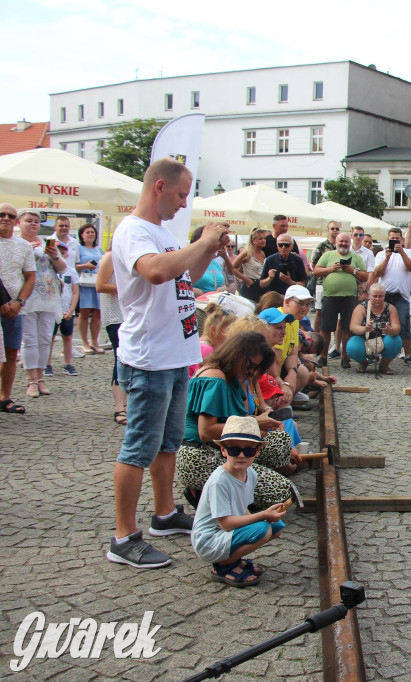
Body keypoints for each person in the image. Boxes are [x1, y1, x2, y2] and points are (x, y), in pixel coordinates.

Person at [107, 157, 230, 569]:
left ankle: (163, 514)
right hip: (149, 357)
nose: (183, 204)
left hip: (175, 353)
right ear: (159, 187)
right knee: (138, 447)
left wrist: (208, 249)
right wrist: (201, 240)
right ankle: (123, 537)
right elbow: (156, 272)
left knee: (167, 443)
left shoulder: (160, 231)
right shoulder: (133, 230)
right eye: (180, 194)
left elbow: (185, 277)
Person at [176, 330, 297, 510]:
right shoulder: (215, 378)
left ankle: (246, 477)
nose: (252, 372)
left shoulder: (234, 376)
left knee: (281, 441)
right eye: (251, 365)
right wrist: (253, 424)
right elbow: (206, 431)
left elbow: (236, 419)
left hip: (225, 448)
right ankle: (208, 491)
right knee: (282, 492)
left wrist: (257, 425)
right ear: (237, 354)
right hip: (201, 455)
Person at [191, 415, 289, 588]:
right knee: (263, 529)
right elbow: (226, 524)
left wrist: (265, 518)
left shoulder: (250, 473)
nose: (241, 456)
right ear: (223, 451)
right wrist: (263, 516)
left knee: (277, 526)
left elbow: (243, 508)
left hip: (223, 534)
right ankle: (223, 565)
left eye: (248, 451)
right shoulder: (219, 480)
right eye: (234, 450)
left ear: (257, 452)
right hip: (209, 540)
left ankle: (233, 559)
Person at [18, 208, 67, 399]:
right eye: (29, 220)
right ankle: (31, 380)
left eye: (36, 221)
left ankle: (40, 377)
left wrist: (54, 255)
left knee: (46, 338)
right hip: (27, 297)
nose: (33, 224)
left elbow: (63, 268)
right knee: (30, 339)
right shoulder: (17, 244)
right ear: (19, 223)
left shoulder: (48, 242)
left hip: (48, 296)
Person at [0, 202, 35, 414]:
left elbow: (30, 277)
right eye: (1, 214)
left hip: (15, 307)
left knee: (12, 352)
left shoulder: (24, 246)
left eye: (10, 216)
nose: (5, 218)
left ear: (16, 221)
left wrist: (19, 302)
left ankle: (5, 397)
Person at [314, 231, 367, 369]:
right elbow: (316, 271)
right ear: (335, 243)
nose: (343, 244)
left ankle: (345, 357)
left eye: (346, 242)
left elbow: (365, 276)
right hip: (330, 296)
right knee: (325, 328)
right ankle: (323, 356)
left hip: (349, 297)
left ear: (350, 243)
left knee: (347, 328)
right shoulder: (328, 255)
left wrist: (352, 271)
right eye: (341, 242)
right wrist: (331, 269)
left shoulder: (355, 257)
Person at [373, 227, 411, 369]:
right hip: (384, 295)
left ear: (402, 239)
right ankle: (377, 352)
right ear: (388, 239)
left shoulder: (409, 252)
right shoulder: (381, 254)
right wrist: (387, 257)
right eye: (392, 239)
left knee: (405, 325)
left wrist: (402, 252)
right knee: (379, 324)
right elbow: (378, 272)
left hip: (401, 295)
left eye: (397, 239)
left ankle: (407, 355)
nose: (394, 241)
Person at [95, 253, 128, 425]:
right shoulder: (111, 257)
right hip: (116, 316)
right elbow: (101, 285)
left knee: (132, 361)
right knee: (120, 359)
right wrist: (129, 287)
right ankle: (119, 407)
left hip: (132, 315)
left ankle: (127, 405)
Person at [347, 283, 402, 374]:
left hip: (384, 337)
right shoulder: (361, 308)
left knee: (396, 340)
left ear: (384, 296)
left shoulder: (391, 308)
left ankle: (384, 365)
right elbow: (353, 327)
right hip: (363, 337)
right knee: (352, 346)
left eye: (380, 296)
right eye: (374, 296)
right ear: (369, 296)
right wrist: (365, 329)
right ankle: (363, 363)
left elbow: (397, 327)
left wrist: (391, 331)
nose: (377, 299)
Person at [46, 241, 79, 378]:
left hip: (67, 310)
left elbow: (75, 292)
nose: (61, 254)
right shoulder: (48, 269)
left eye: (63, 252)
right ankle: (47, 363)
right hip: (53, 310)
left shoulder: (71, 271)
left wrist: (71, 310)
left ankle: (68, 363)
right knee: (50, 338)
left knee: (67, 336)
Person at [75, 223, 104, 354]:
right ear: (82, 235)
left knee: (97, 313)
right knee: (84, 312)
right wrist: (85, 265)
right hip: (84, 283)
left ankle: (95, 341)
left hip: (97, 282)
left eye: (92, 232)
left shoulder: (99, 250)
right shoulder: (79, 249)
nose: (91, 234)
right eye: (88, 232)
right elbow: (74, 266)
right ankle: (84, 342)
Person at [308, 220, 342, 326]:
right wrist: (327, 270)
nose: (335, 231)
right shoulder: (322, 246)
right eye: (333, 228)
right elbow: (314, 265)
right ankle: (316, 335)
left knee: (338, 314)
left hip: (338, 283)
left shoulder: (341, 245)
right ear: (328, 230)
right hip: (322, 282)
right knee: (319, 310)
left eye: (337, 228)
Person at [232, 227, 269, 302]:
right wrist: (245, 278)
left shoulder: (262, 253)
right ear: (253, 240)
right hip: (250, 285)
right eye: (260, 239)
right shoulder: (247, 252)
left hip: (262, 285)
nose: (263, 241)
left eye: (264, 238)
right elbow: (232, 267)